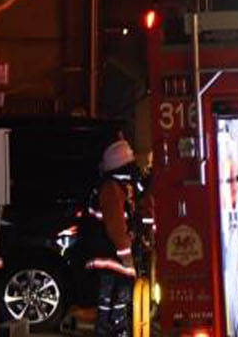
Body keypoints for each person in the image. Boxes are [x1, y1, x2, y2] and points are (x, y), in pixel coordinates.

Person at [85, 138, 140, 337]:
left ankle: (111, 330)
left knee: (112, 302)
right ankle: (115, 331)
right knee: (115, 301)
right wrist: (127, 257)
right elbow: (115, 226)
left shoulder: (115, 187)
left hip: (109, 256)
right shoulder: (112, 190)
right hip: (111, 258)